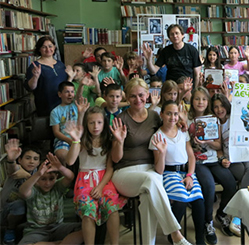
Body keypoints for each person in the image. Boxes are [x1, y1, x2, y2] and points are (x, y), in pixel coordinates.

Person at [109, 78, 190, 245]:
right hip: (125, 173)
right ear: (126, 97)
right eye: (132, 96)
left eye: (141, 95)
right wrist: (119, 141)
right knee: (152, 180)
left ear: (147, 95)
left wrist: (182, 124)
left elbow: (170, 128)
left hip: (150, 170)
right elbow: (115, 159)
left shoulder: (154, 116)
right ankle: (176, 234)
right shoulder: (121, 119)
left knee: (147, 197)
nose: (137, 100)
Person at [65, 107, 126, 245]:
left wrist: (100, 187)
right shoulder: (82, 140)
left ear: (104, 123)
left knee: (112, 208)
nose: (95, 126)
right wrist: (75, 140)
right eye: (91, 123)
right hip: (84, 180)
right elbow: (70, 161)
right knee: (88, 211)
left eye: (99, 122)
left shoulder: (108, 140)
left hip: (104, 179)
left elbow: (111, 167)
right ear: (86, 124)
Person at [184, 87, 237, 243]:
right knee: (209, 187)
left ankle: (221, 213)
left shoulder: (213, 119)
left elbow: (219, 144)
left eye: (204, 99)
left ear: (208, 102)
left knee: (230, 184)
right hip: (197, 162)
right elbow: (183, 144)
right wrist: (193, 145)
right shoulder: (186, 119)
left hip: (213, 159)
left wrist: (207, 141)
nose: (200, 102)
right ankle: (208, 223)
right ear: (192, 101)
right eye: (197, 99)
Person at [149, 101, 205, 245]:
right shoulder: (157, 137)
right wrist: (161, 153)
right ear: (161, 114)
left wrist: (190, 176)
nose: (172, 117)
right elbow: (159, 170)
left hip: (186, 172)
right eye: (168, 113)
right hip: (168, 173)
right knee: (180, 198)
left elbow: (191, 156)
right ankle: (173, 234)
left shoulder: (182, 131)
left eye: (175, 114)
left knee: (199, 200)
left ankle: (200, 239)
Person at [212, 93, 249, 236]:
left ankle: (238, 215)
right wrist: (222, 159)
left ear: (227, 105)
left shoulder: (236, 117)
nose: (219, 109)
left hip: (244, 154)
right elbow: (218, 148)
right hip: (230, 159)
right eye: (215, 107)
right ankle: (241, 216)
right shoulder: (214, 123)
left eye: (221, 105)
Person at [18, 153, 83, 245]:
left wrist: (60, 167)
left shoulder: (57, 187)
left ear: (56, 177)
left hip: (58, 227)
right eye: (43, 179)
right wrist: (38, 174)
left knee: (86, 229)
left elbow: (70, 177)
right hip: (36, 230)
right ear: (37, 180)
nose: (47, 183)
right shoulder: (33, 190)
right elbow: (23, 191)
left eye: (51, 179)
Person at [1, 140, 40, 245]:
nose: (31, 161)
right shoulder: (18, 169)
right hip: (7, 210)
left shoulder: (37, 173)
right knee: (20, 205)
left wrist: (28, 176)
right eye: (28, 158)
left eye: (35, 159)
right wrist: (11, 160)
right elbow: (12, 170)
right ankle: (10, 229)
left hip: (27, 211)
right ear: (20, 160)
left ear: (39, 162)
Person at [25, 36, 68, 117]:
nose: (48, 49)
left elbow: (66, 83)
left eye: (50, 46)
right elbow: (30, 87)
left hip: (63, 105)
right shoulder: (35, 66)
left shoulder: (60, 64)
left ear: (54, 47)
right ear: (39, 49)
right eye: (44, 47)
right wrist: (35, 77)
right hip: (46, 107)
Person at [50, 81, 87, 164]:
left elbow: (79, 96)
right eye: (67, 92)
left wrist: (81, 84)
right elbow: (56, 132)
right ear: (60, 94)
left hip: (80, 137)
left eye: (72, 92)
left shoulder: (77, 106)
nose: (70, 94)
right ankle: (67, 174)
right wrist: (69, 140)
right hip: (64, 139)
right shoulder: (55, 111)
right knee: (61, 154)